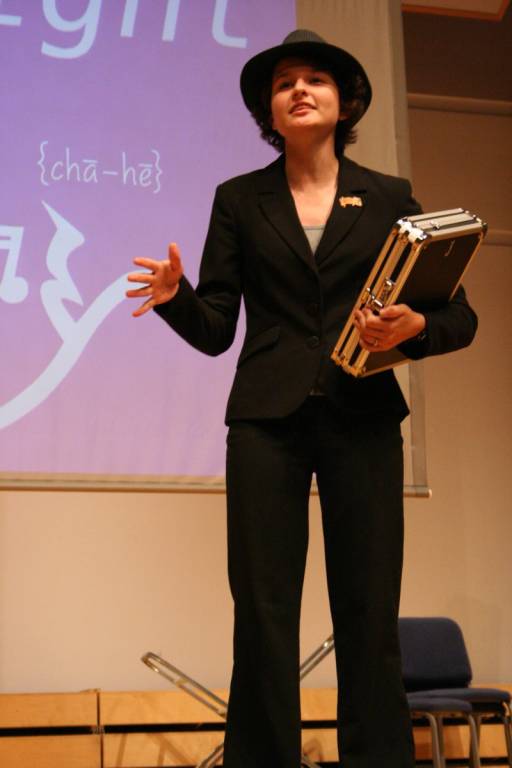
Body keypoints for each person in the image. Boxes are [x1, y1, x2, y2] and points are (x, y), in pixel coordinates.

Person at [126, 29, 477, 768]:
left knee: (369, 612)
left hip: (364, 418)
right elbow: (217, 329)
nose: (299, 90)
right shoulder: (238, 199)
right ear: (270, 111)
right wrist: (175, 298)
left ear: (344, 103)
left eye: (316, 79)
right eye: (285, 83)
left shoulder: (388, 197)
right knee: (262, 611)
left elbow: (458, 315)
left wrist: (413, 329)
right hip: (266, 425)